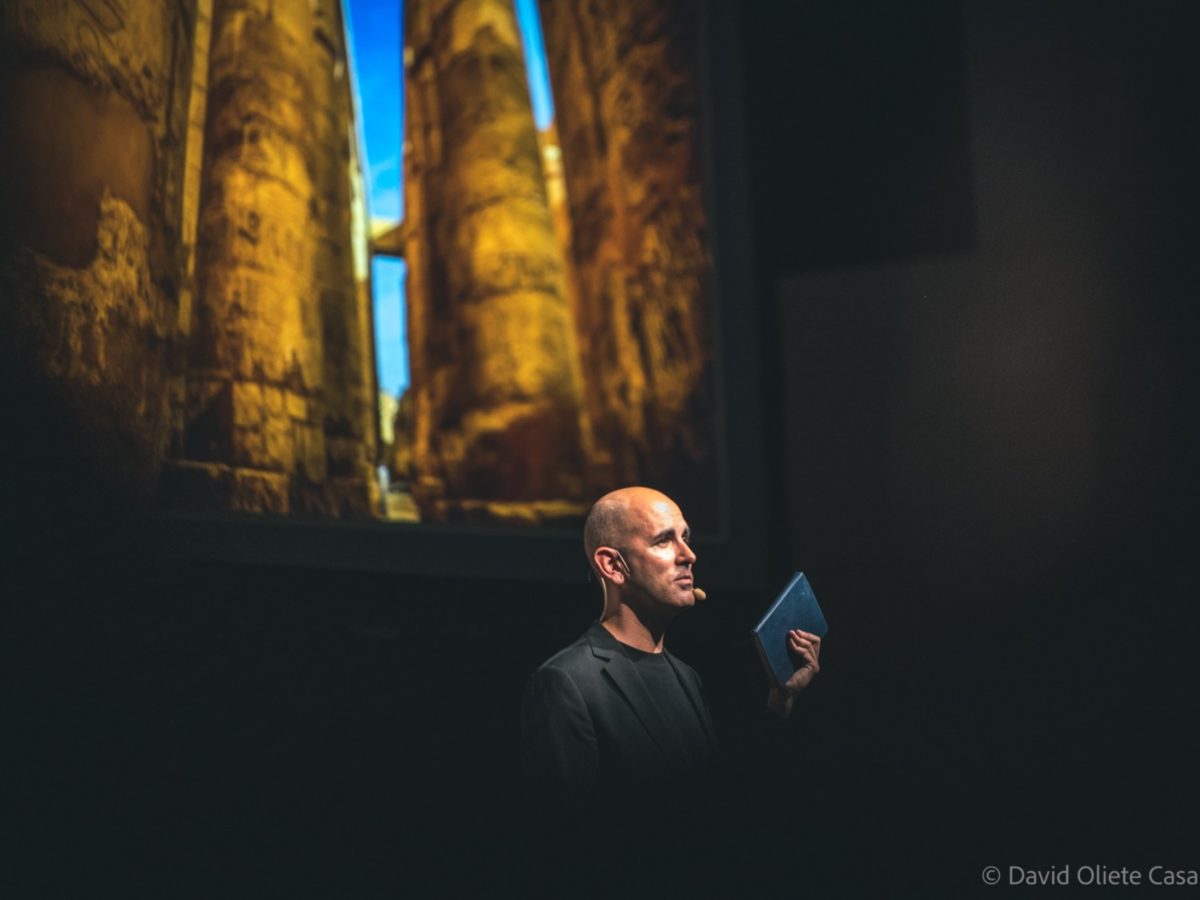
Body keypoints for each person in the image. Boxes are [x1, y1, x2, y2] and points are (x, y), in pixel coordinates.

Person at [520, 486, 822, 799]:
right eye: (664, 540)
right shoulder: (567, 682)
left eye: (686, 538)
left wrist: (781, 699)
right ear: (612, 565)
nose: (689, 555)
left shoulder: (687, 678)